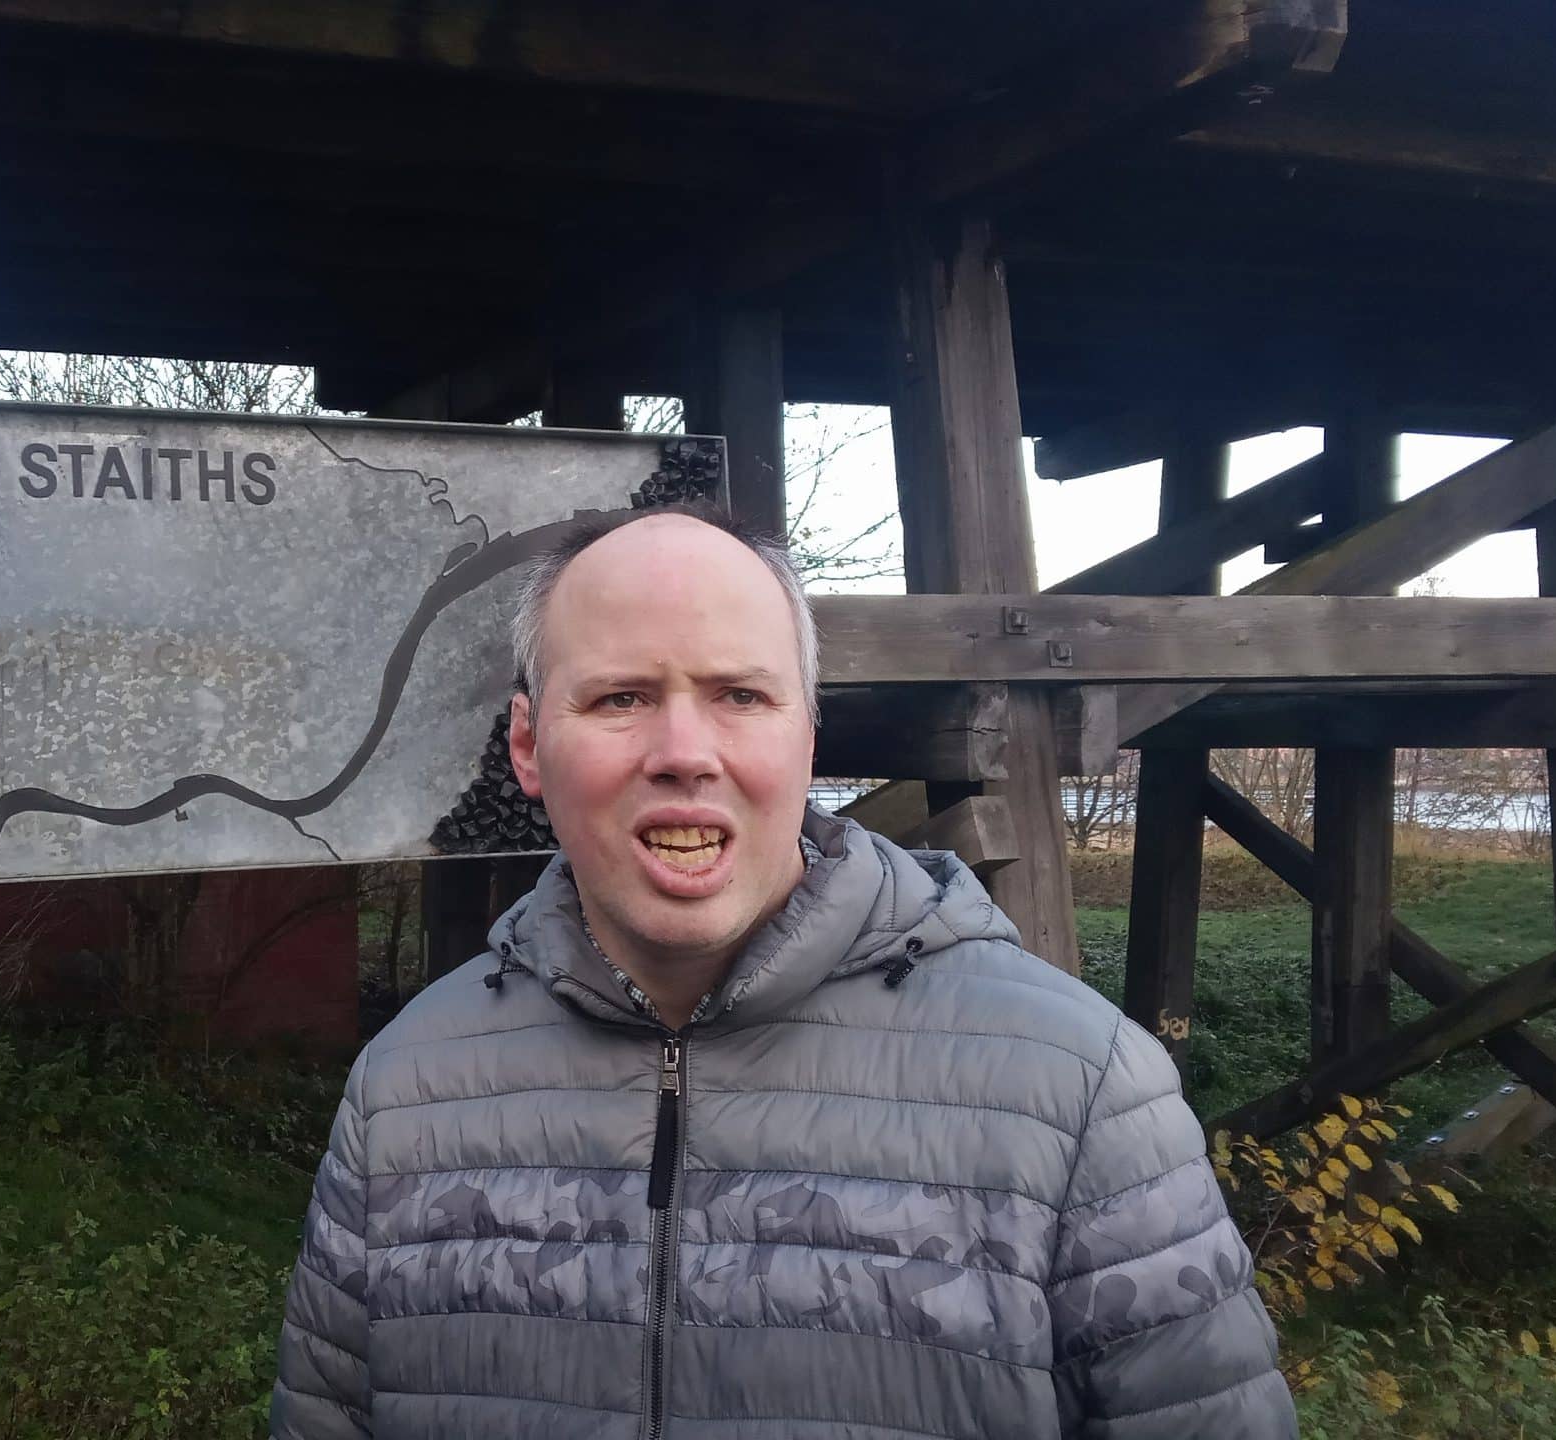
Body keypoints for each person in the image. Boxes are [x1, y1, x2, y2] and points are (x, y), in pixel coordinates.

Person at [272, 504, 1294, 1438]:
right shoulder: (407, 1093)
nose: (684, 751)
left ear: (808, 733)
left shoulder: (1078, 1093)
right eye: (621, 696)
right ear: (531, 744)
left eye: (739, 695)